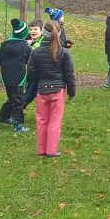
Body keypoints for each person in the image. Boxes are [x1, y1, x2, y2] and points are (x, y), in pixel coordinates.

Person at [27, 20, 76, 157]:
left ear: (43, 33)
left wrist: (38, 81)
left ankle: (41, 150)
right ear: (59, 33)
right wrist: (72, 92)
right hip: (57, 90)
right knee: (55, 121)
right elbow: (69, 74)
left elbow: (31, 72)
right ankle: (51, 150)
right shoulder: (63, 52)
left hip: (42, 90)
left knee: (42, 120)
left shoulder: (36, 52)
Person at [0, 18, 32, 133]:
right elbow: (29, 60)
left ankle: (3, 117)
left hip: (6, 77)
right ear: (24, 34)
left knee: (11, 97)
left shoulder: (4, 44)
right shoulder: (25, 47)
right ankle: (19, 125)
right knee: (18, 101)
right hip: (19, 78)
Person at [23, 19, 44, 109]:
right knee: (29, 94)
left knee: (41, 95)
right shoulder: (27, 40)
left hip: (42, 72)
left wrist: (32, 44)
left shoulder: (44, 40)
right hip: (32, 72)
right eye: (31, 29)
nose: (33, 31)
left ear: (41, 31)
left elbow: (41, 50)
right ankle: (15, 112)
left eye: (35, 29)